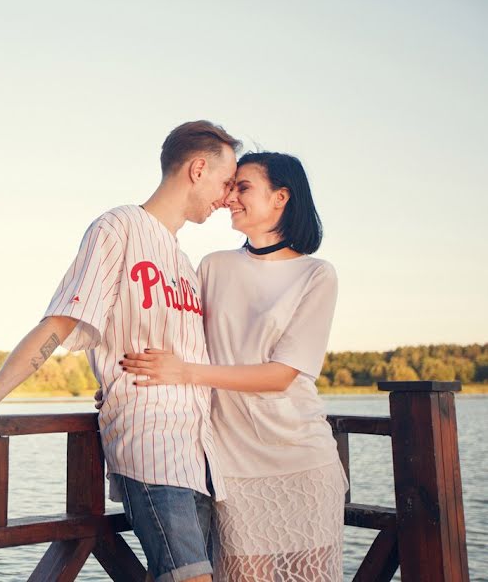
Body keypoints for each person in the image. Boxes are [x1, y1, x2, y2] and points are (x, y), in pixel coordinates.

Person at [0, 120, 240, 582]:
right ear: (198, 168)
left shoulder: (184, 263)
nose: (227, 196)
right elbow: (62, 321)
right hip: (152, 444)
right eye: (226, 182)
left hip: (201, 454)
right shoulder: (118, 227)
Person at [120, 151, 345, 581]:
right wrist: (127, 384)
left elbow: (280, 376)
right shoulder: (213, 266)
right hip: (231, 466)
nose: (229, 197)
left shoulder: (317, 274)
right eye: (230, 186)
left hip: (301, 459)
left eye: (242, 187)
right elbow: (176, 338)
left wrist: (185, 372)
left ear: (281, 197)